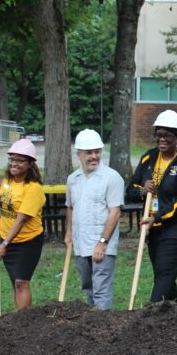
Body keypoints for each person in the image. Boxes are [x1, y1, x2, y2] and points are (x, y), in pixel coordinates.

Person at [126, 110, 177, 303]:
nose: (162, 139)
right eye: (158, 134)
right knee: (164, 273)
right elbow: (130, 189)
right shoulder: (148, 158)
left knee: (165, 270)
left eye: (167, 135)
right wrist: (143, 190)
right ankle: (174, 314)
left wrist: (157, 217)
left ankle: (152, 312)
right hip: (153, 226)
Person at [64, 129, 125, 310]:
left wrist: (102, 243)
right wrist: (68, 234)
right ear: (79, 154)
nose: (94, 156)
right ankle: (91, 323)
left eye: (97, 151)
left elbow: (115, 213)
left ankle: (103, 326)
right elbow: (70, 207)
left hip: (102, 244)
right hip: (81, 242)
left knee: (101, 288)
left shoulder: (112, 177)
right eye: (89, 152)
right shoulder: (73, 179)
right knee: (88, 286)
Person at [0, 138, 45, 311]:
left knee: (22, 282)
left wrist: (4, 244)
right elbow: (7, 197)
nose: (14, 164)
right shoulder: (8, 179)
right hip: (5, 238)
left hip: (27, 242)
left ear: (30, 164)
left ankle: (25, 322)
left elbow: (21, 219)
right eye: (12, 159)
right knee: (15, 282)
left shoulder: (33, 188)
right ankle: (18, 321)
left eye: (20, 161)